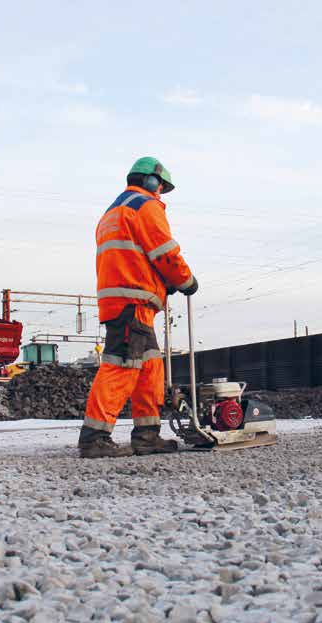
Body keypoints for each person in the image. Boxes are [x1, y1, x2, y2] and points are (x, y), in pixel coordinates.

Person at [79, 157, 197, 458]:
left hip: (128, 300)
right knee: (120, 367)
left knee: (149, 369)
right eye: (161, 187)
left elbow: (134, 255)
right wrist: (185, 281)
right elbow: (164, 252)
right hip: (132, 300)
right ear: (151, 181)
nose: (160, 195)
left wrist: (159, 282)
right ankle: (95, 438)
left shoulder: (113, 212)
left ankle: (147, 436)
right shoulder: (144, 206)